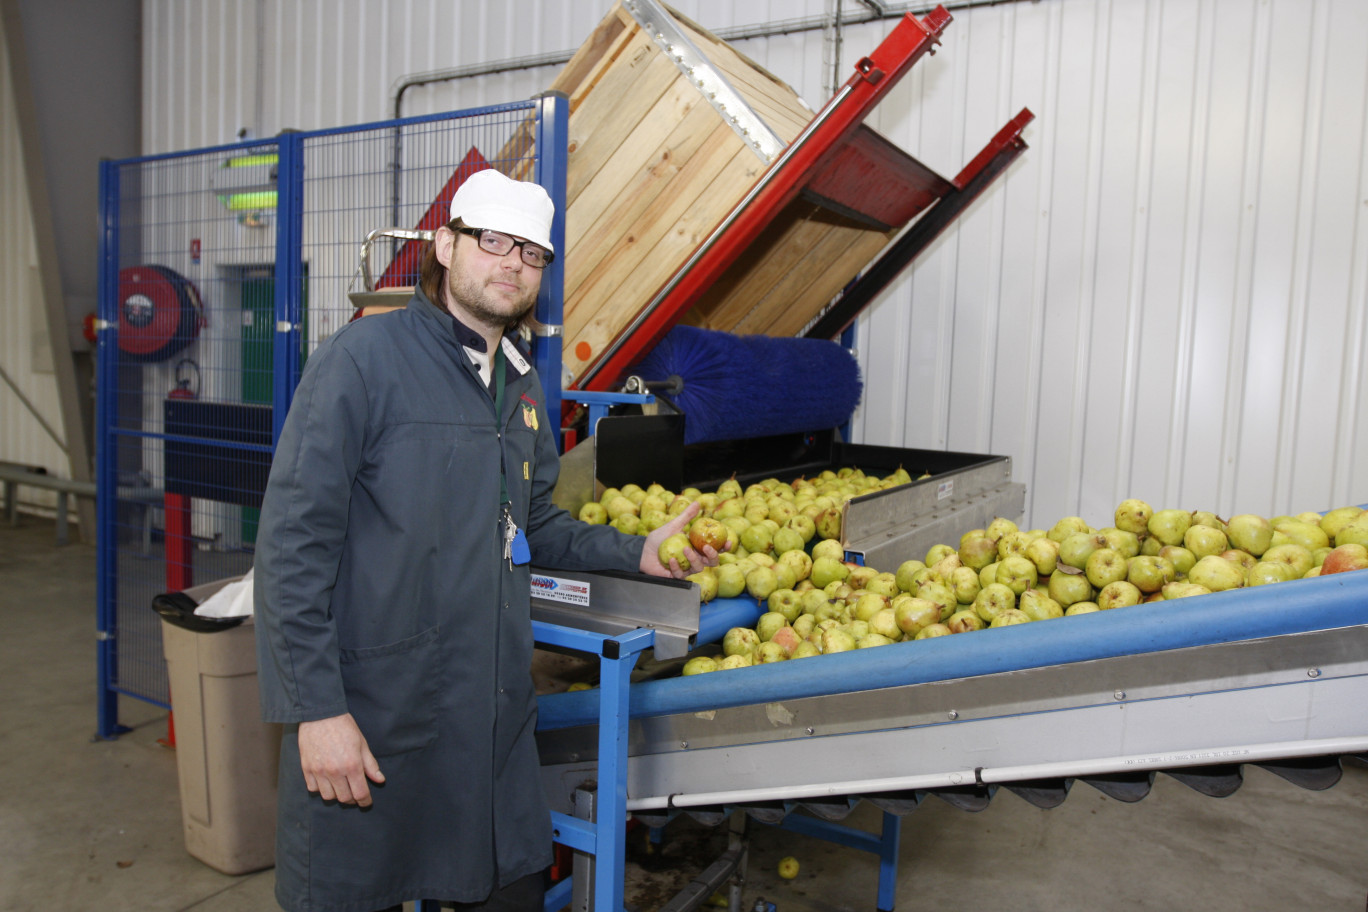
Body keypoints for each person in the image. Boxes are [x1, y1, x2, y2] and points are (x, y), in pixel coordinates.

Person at [253, 168, 718, 912]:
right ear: (445, 246)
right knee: (355, 890)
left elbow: (533, 523)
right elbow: (290, 546)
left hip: (489, 717)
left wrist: (635, 552)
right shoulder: (362, 363)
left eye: (532, 253)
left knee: (502, 888)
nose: (512, 264)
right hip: (376, 711)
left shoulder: (527, 384)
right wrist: (316, 710)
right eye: (493, 241)